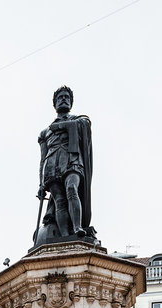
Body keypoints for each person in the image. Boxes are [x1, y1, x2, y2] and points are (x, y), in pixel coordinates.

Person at [37, 85, 95, 244]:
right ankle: (64, 236)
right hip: (52, 164)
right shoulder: (44, 132)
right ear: (54, 104)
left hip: (72, 159)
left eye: (66, 97)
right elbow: (42, 159)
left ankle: (77, 228)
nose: (63, 99)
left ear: (71, 103)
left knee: (71, 188)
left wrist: (62, 125)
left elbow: (86, 125)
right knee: (60, 201)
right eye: (60, 97)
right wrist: (41, 184)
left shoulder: (78, 120)